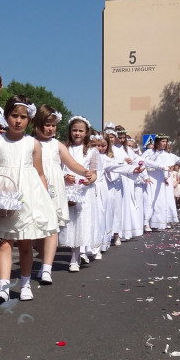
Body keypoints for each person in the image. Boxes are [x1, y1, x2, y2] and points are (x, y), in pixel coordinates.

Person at [0, 95, 57, 303]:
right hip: (5, 197)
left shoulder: (32, 143)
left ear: (29, 120)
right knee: (5, 242)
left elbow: (40, 172)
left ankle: (25, 283)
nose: (18, 120)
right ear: (6, 116)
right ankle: (4, 287)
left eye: (23, 117)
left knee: (25, 243)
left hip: (28, 196)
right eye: (14, 115)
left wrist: (45, 198)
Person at [31, 106, 91, 284]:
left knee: (52, 228)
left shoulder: (57, 145)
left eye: (53, 125)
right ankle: (43, 260)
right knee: (36, 232)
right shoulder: (30, 142)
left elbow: (72, 164)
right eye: (46, 125)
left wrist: (88, 173)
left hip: (54, 189)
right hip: (35, 187)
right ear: (37, 124)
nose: (50, 129)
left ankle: (47, 268)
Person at [59, 116, 101, 271]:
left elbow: (95, 173)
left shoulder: (91, 151)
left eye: (80, 131)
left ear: (86, 132)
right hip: (68, 189)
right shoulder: (65, 149)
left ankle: (77, 256)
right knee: (71, 223)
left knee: (81, 222)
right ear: (70, 131)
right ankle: (74, 256)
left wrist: (90, 179)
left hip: (84, 192)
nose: (77, 133)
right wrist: (64, 177)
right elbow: (58, 168)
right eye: (74, 130)